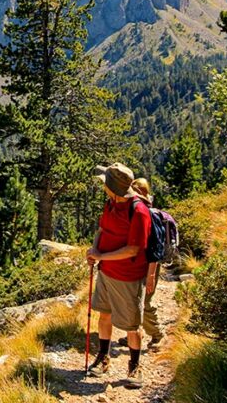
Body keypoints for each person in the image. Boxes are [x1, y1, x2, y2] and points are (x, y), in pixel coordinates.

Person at [86, 163, 151, 389]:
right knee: (104, 315)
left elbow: (133, 250)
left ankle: (135, 366)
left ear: (113, 187)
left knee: (132, 325)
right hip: (107, 271)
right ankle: (103, 357)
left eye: (105, 182)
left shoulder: (139, 212)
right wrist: (94, 250)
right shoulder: (111, 203)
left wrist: (101, 256)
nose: (102, 185)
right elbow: (102, 230)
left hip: (127, 276)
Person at [119, 178, 164, 349]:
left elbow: (156, 247)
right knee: (132, 300)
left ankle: (157, 335)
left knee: (145, 302)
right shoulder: (134, 210)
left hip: (148, 265)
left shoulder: (148, 214)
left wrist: (151, 274)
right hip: (136, 264)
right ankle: (133, 333)